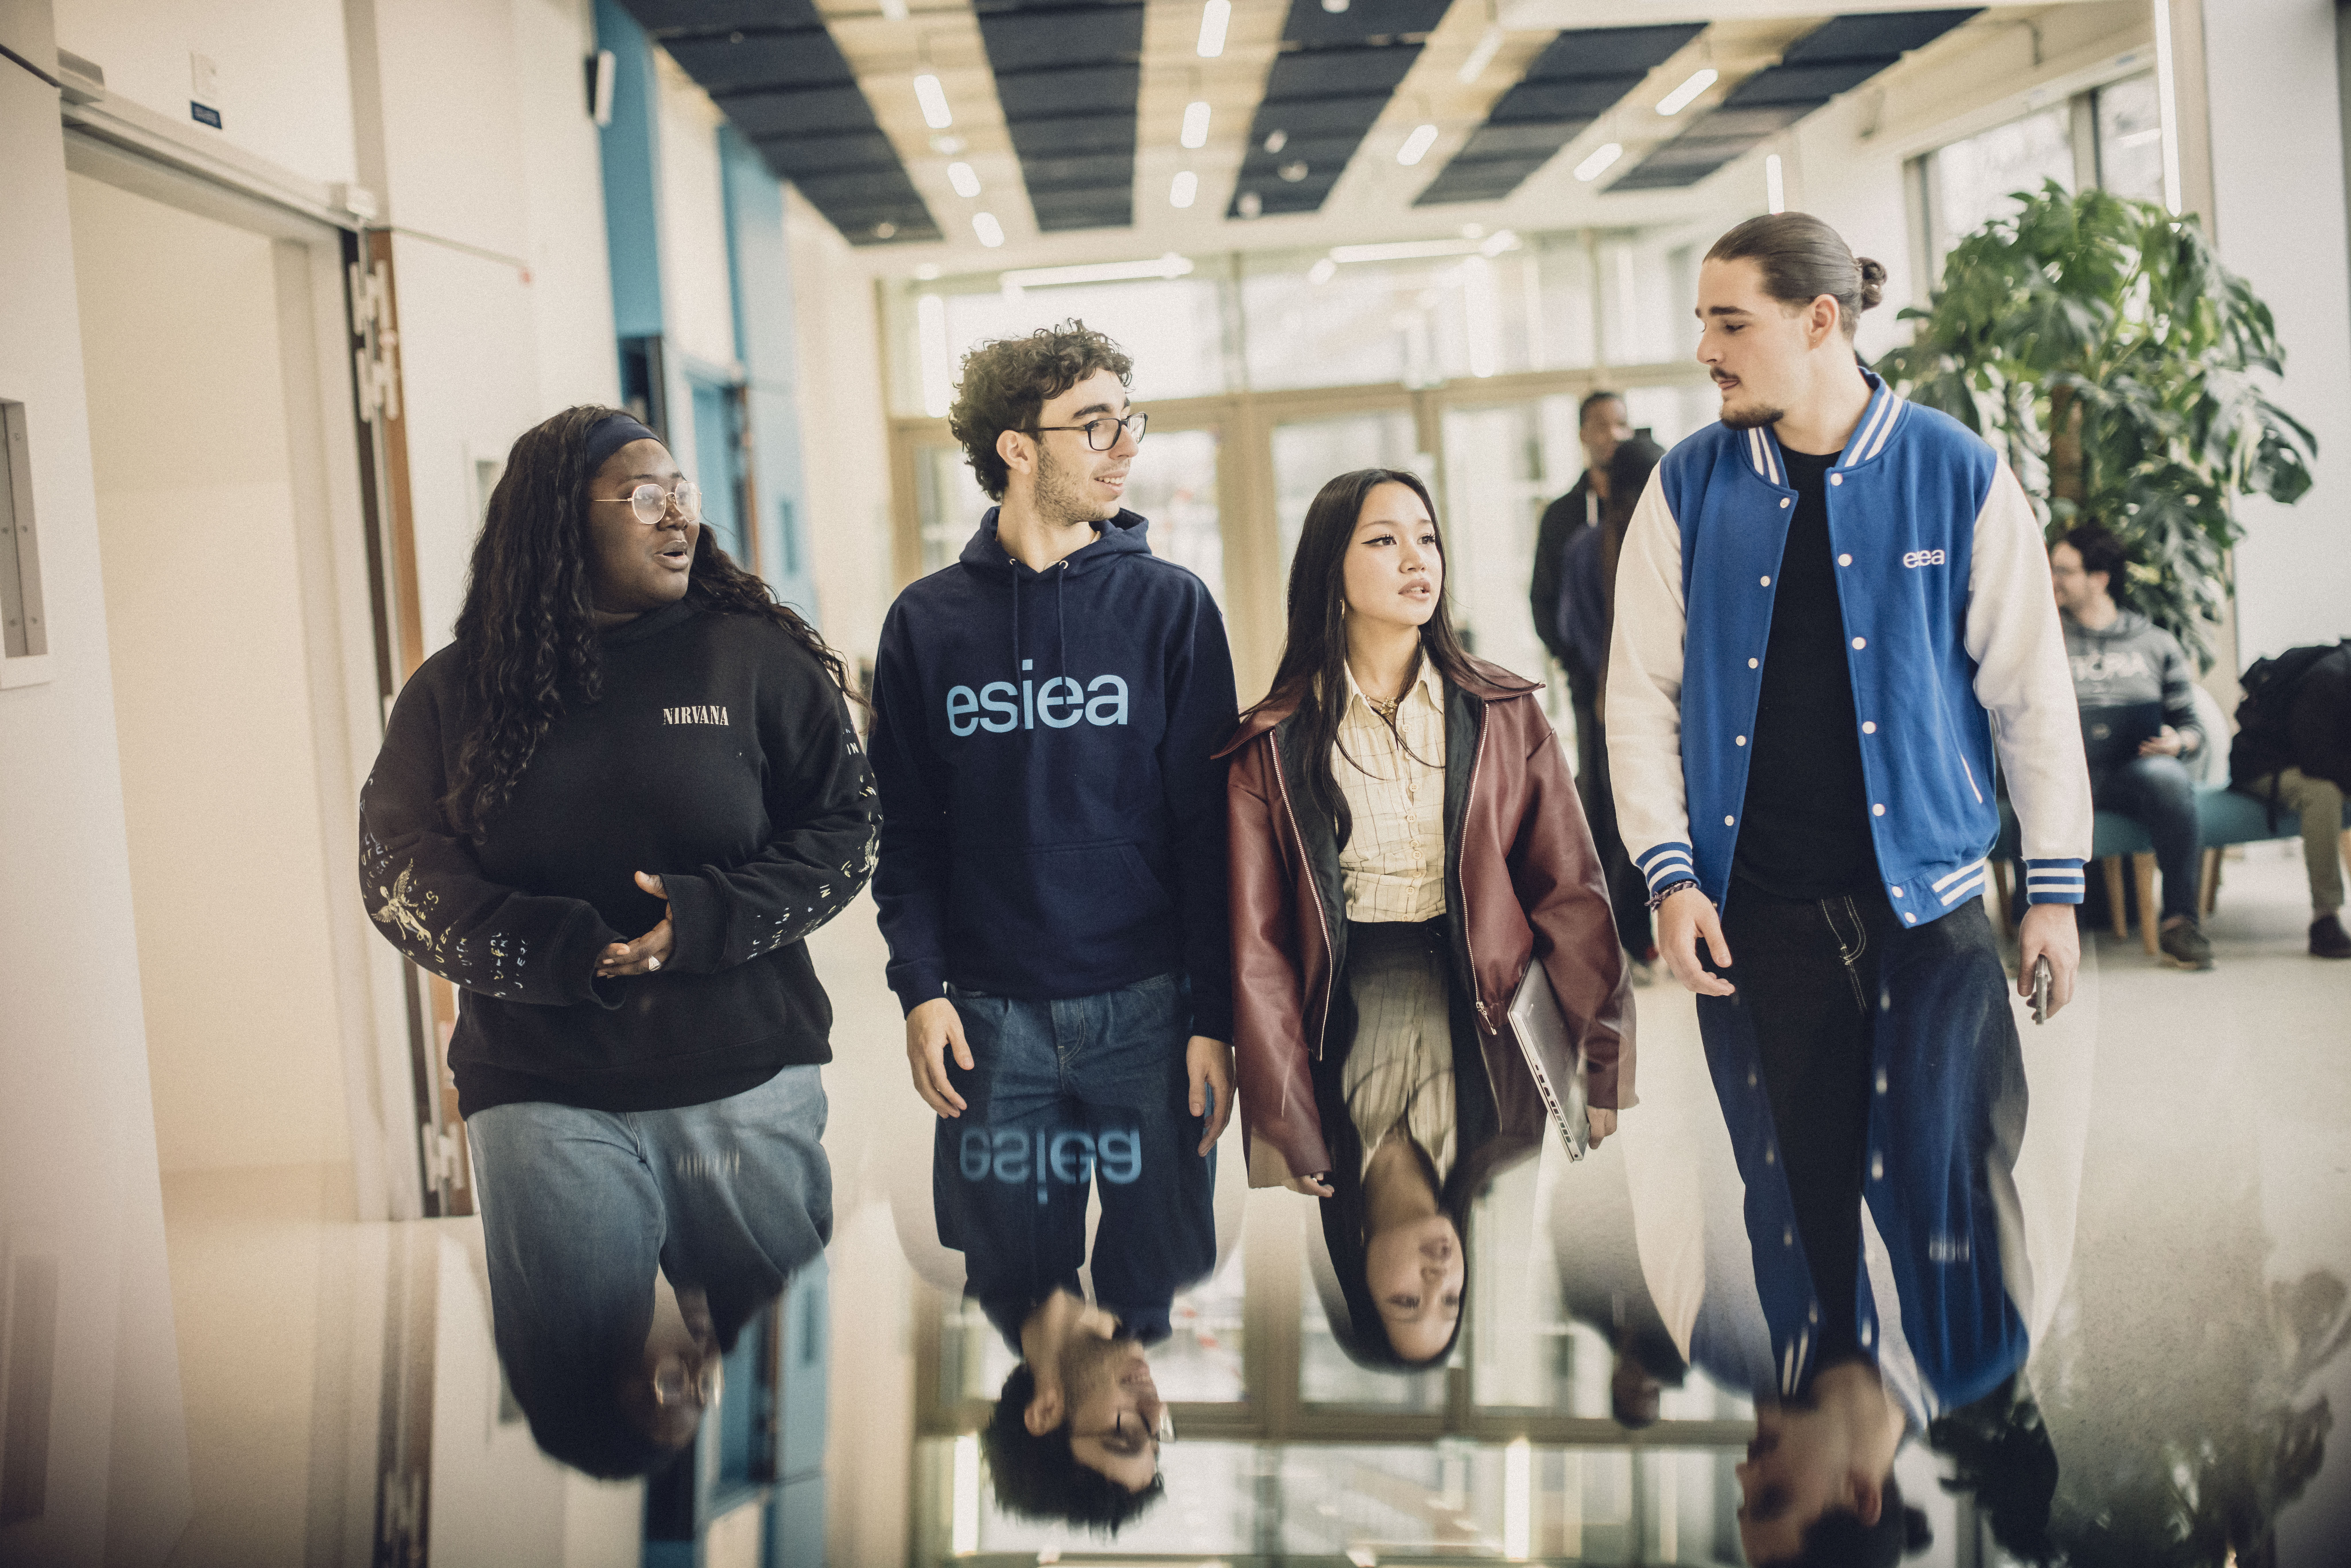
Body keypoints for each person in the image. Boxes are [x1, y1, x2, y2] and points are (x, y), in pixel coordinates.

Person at [1608, 212, 2092, 1537]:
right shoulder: (1690, 488)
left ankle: (1990, 1407)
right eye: (1702, 320)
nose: (1702, 348)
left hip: (1930, 906)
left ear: (1820, 322)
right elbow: (1635, 698)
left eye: (1729, 322)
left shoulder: (1952, 473)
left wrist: (2049, 890)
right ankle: (1830, 1386)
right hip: (1751, 914)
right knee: (1795, 1180)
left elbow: (2030, 699)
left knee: (1961, 1166)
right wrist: (1668, 876)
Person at [358, 405, 876, 1474]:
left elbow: (846, 826)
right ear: (560, 526)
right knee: (578, 1373)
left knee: (764, 1361)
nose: (677, 513)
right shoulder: (457, 690)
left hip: (740, 1076)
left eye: (680, 490)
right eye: (644, 496)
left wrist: (701, 919)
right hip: (542, 1088)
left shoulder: (751, 657)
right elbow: (396, 869)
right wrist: (563, 947)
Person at [868, 320, 1236, 1514]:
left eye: (1128, 417)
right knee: (1078, 1256)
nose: (1124, 444)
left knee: (1057, 1264)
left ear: (1046, 1416)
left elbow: (1205, 836)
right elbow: (907, 835)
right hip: (989, 1021)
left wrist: (1211, 1016)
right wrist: (921, 985)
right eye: (1097, 422)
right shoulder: (927, 625)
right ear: (1014, 448)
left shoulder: (1171, 611)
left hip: (1145, 1012)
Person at [1223, 466, 1633, 1367]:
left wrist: (1604, 1054)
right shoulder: (1274, 739)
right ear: (1331, 570)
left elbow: (1570, 890)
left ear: (1361, 1270)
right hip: (1340, 1011)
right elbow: (1255, 951)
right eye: (1384, 540)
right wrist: (1282, 1115)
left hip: (1482, 1004)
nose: (1417, 559)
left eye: (1427, 537)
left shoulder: (1502, 711)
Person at [2049, 522, 2214, 968]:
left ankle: (2180, 924)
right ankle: (2040, 927)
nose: (2053, 579)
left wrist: (2177, 741)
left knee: (2169, 779)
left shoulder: (2156, 643)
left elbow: (2192, 727)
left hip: (2131, 773)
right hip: (2062, 771)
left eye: (2064, 570)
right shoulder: (2043, 639)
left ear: (2099, 579)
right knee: (2040, 782)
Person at [1555, 434, 1669, 975]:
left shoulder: (1586, 545)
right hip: (1666, 704)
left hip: (1608, 703)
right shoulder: (1664, 540)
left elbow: (1570, 627)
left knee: (1627, 820)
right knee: (1657, 816)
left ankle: (1632, 939)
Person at [2228, 639, 2351, 958]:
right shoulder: (2329, 679)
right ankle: (2325, 919)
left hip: (2309, 759)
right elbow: (2318, 760)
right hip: (2262, 766)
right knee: (2322, 793)